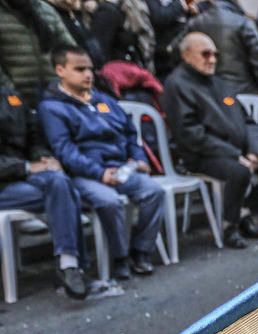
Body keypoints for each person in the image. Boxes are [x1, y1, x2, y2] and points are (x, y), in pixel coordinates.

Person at [40, 45, 165, 279]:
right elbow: (64, 150)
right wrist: (99, 173)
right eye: (79, 69)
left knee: (154, 192)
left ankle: (141, 251)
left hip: (122, 168)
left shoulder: (104, 99)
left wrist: (138, 158)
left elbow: (130, 133)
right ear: (60, 70)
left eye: (90, 69)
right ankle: (120, 258)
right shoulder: (52, 108)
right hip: (84, 174)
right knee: (110, 202)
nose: (88, 74)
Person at [162, 32, 258, 248]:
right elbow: (191, 135)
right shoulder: (177, 86)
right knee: (238, 172)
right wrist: (234, 155)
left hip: (238, 152)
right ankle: (230, 225)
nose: (212, 59)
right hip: (203, 155)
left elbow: (248, 121)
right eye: (205, 54)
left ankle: (247, 212)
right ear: (186, 55)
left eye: (215, 54)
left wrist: (254, 152)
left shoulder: (218, 82)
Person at [0, 86, 88, 299]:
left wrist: (43, 158)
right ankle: (75, 266)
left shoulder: (11, 96)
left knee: (60, 182)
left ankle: (68, 265)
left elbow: (34, 136)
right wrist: (27, 167)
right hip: (9, 180)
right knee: (66, 193)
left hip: (22, 177)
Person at [174, 0, 258, 95]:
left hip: (209, 92)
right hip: (242, 90)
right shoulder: (242, 22)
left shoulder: (197, 22)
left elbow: (175, 51)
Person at [0, 0, 77, 107]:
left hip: (57, 93)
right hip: (17, 99)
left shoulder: (44, 9)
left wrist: (71, 82)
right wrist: (10, 89)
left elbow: (70, 50)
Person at [89, 0, 156, 71]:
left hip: (131, 69)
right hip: (116, 73)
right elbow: (99, 50)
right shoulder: (107, 12)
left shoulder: (127, 9)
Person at [145, 0, 198, 78]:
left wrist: (196, 9)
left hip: (186, 57)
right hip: (162, 58)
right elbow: (159, 17)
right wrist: (182, 4)